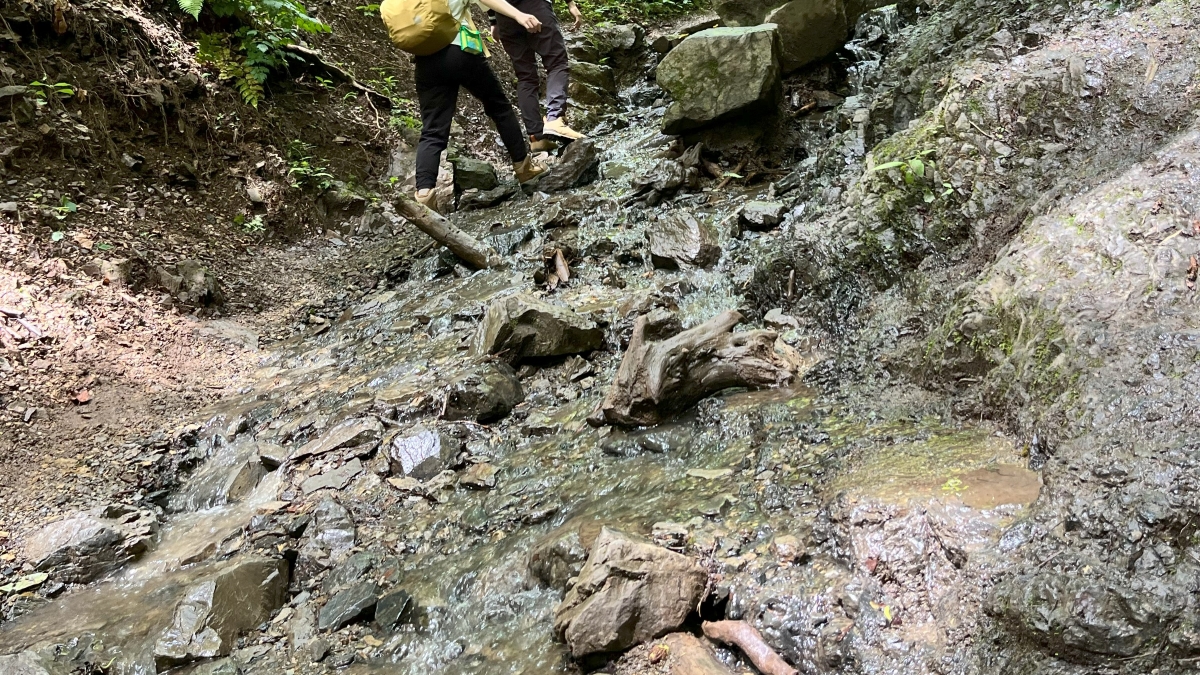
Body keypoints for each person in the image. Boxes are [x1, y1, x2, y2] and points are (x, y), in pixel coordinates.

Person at [411, 0, 548, 208]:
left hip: (426, 61)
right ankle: (524, 168)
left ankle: (424, 195)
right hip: (460, 49)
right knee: (499, 107)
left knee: (432, 130)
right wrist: (517, 14)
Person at [488, 0, 586, 152]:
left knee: (525, 76)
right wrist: (571, 4)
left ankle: (536, 137)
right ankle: (555, 118)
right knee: (556, 63)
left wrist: (493, 21)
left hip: (504, 15)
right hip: (535, 6)